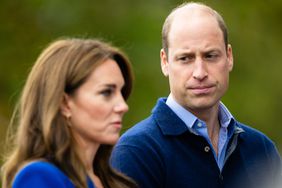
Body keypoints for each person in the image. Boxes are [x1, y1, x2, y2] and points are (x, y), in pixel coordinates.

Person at [110, 2, 282, 188]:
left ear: (229, 57)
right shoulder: (135, 153)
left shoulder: (261, 150)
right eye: (185, 58)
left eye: (210, 56)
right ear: (165, 62)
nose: (200, 73)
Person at [1, 38, 137, 188]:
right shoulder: (39, 177)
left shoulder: (118, 181)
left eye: (121, 93)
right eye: (106, 92)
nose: (123, 106)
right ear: (64, 103)